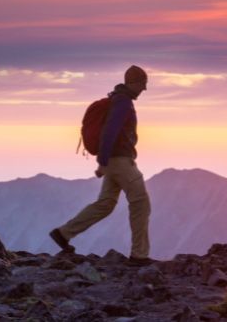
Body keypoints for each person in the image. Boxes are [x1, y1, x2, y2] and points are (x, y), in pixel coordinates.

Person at [50, 65, 153, 266]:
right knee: (141, 202)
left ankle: (63, 233)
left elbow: (109, 132)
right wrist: (102, 161)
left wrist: (103, 164)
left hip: (112, 163)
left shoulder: (117, 99)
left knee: (105, 204)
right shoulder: (123, 103)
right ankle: (139, 255)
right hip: (121, 161)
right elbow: (110, 131)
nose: (144, 89)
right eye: (143, 84)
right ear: (134, 83)